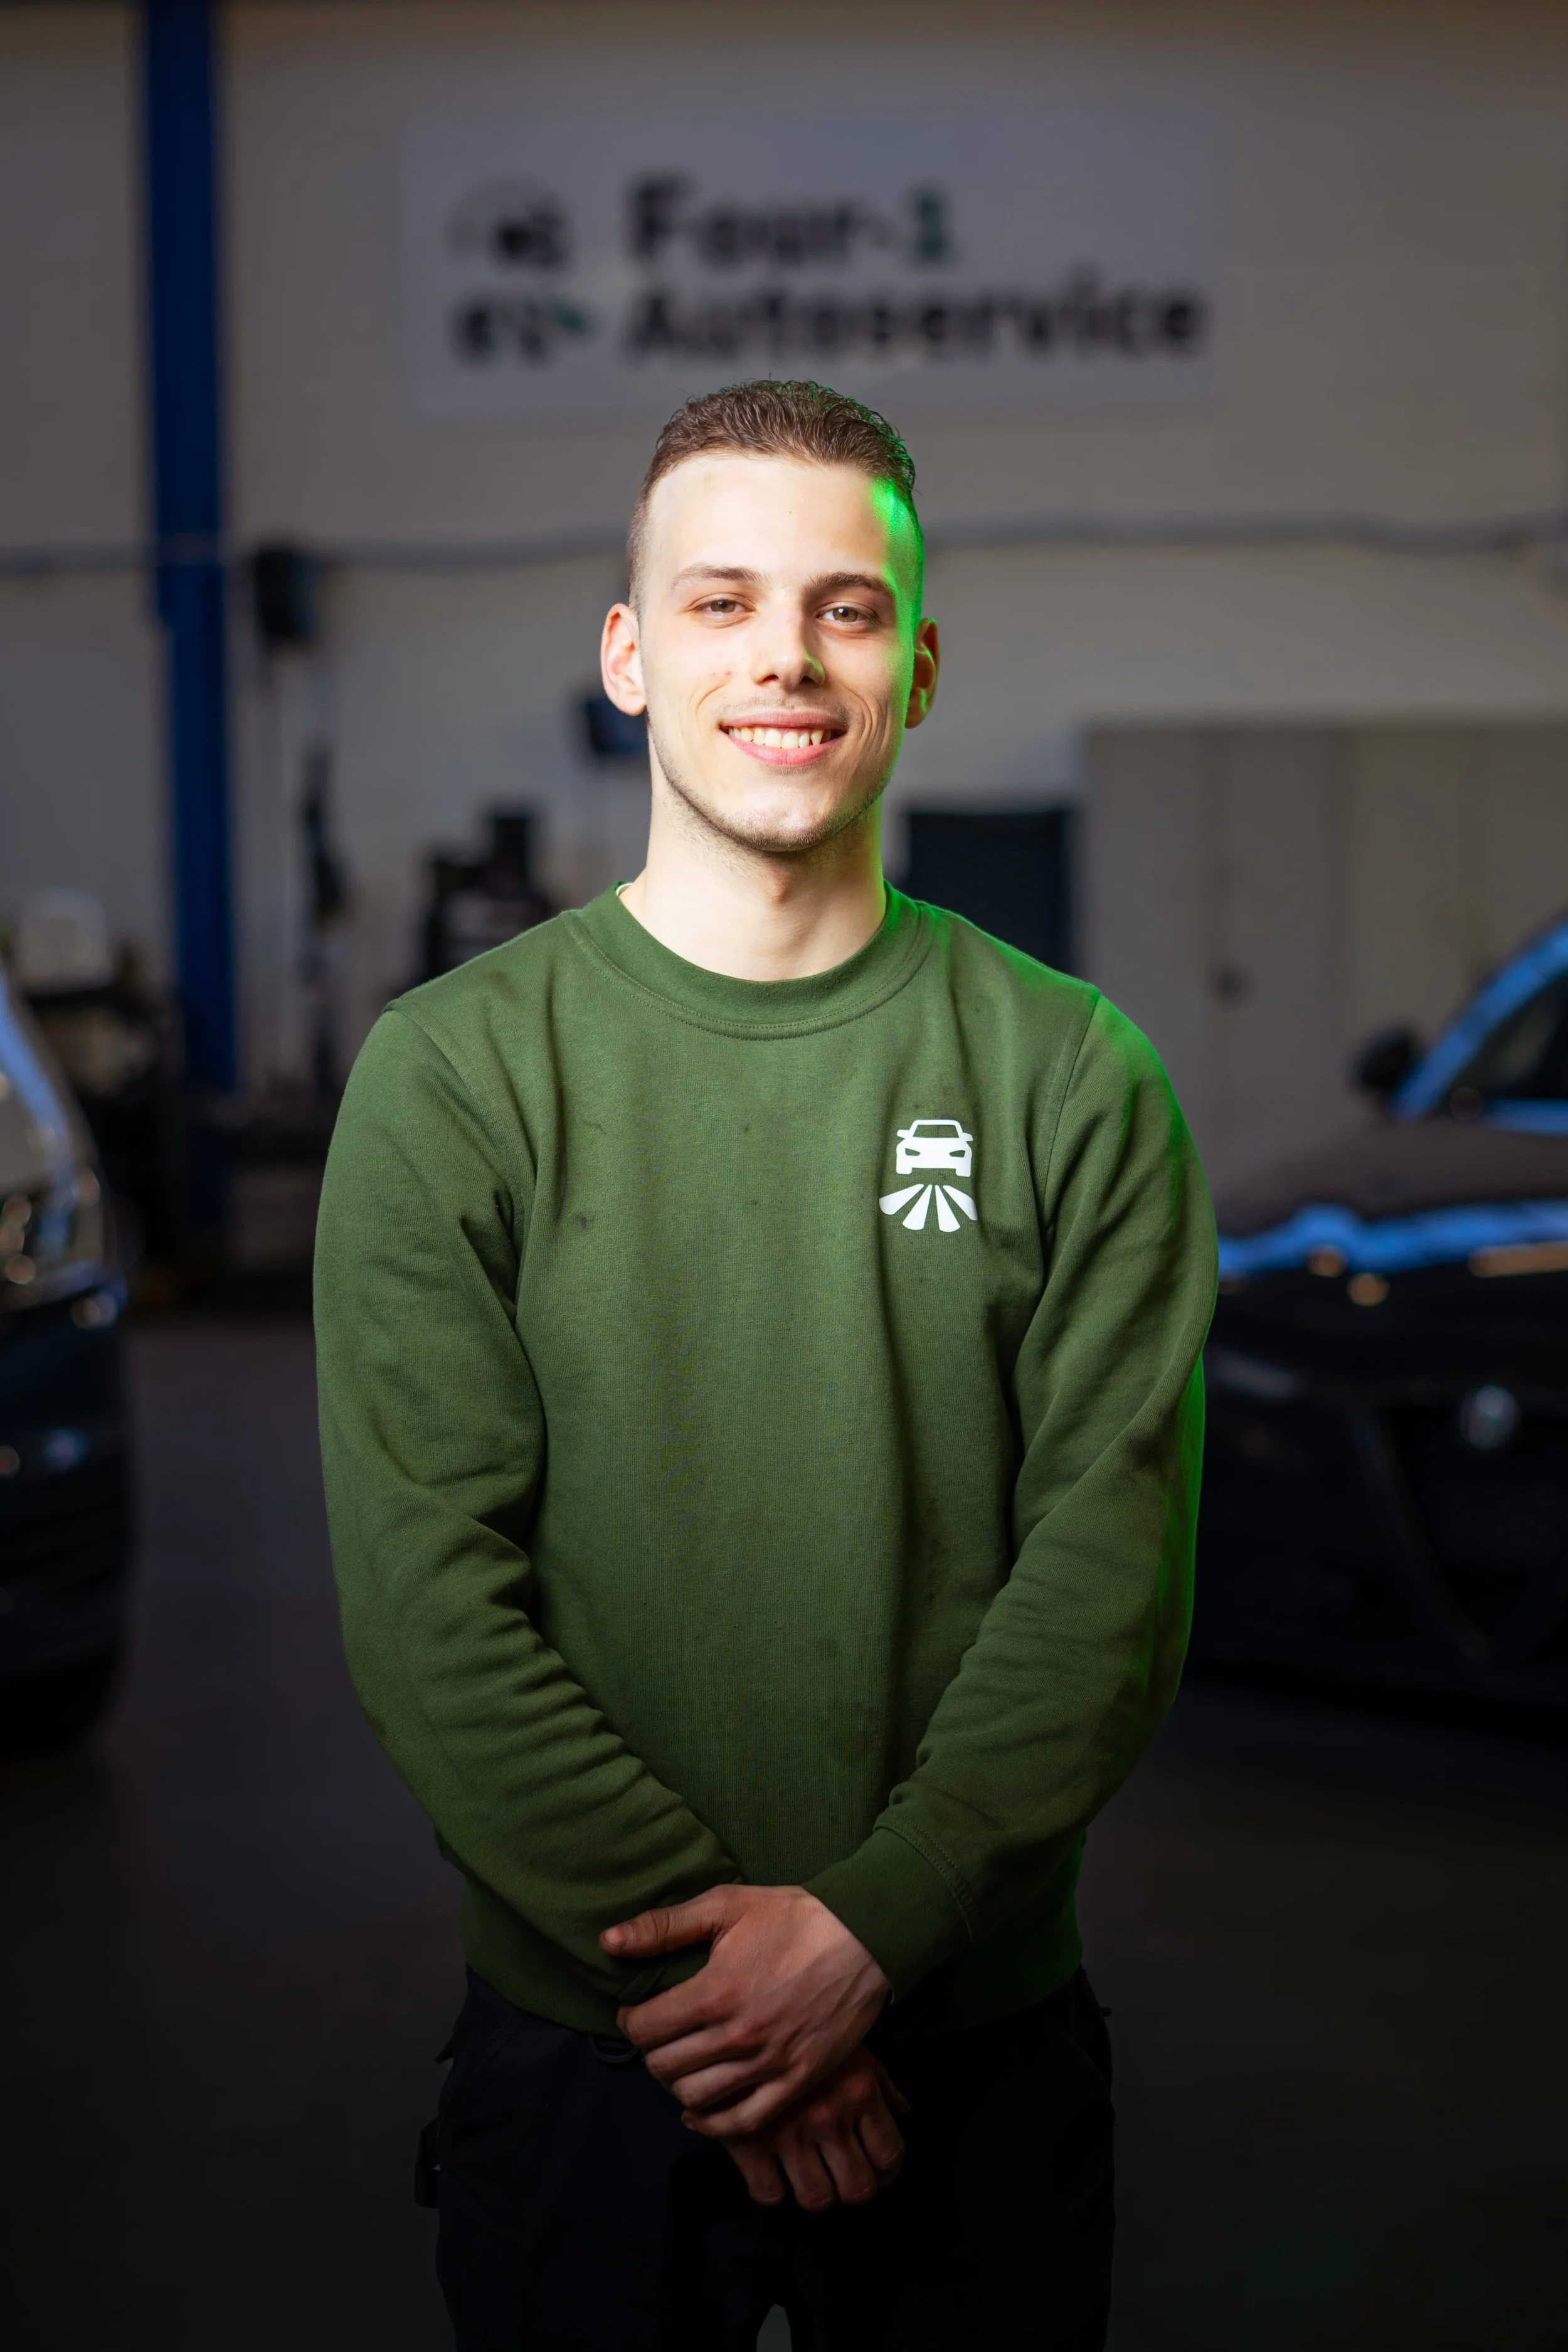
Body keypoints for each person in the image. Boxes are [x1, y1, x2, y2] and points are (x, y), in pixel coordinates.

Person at [315, 378, 1216, 2351]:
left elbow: (1107, 1574)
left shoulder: (1072, 1074)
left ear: (919, 660)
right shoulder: (457, 1075)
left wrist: (872, 1932)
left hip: (973, 2044)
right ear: (630, 658)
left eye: (844, 606)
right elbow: (426, 1602)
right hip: (582, 2055)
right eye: (719, 603)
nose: (785, 660)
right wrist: (740, 2000)